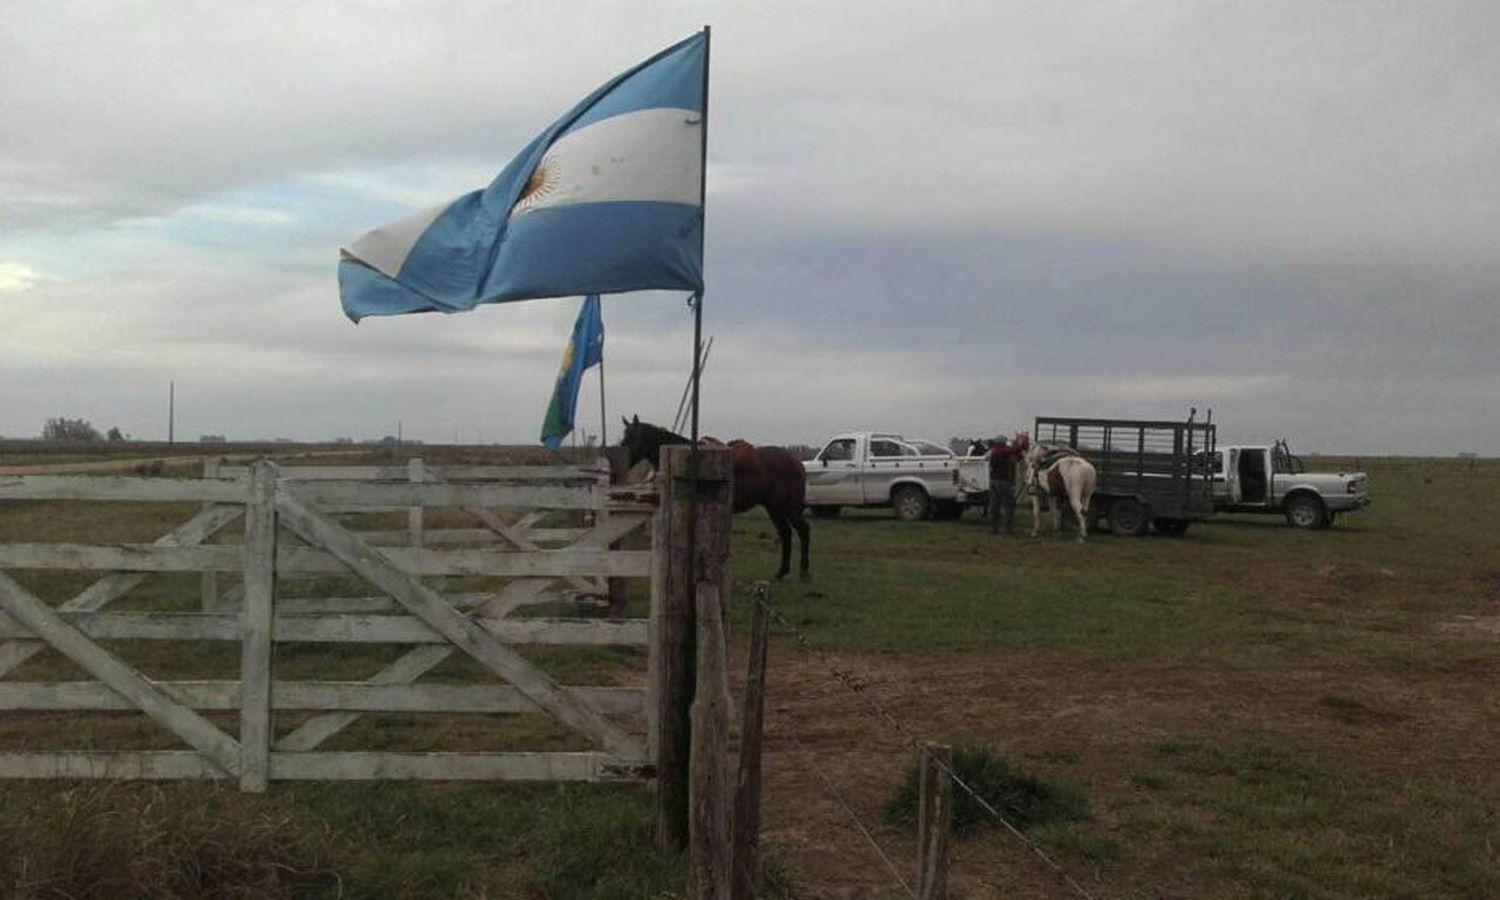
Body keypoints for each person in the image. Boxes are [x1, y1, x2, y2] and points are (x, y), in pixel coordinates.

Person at [988, 435, 1023, 534]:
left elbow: (1016, 455)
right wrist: (1020, 445)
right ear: (1003, 443)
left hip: (993, 481)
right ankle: (1008, 529)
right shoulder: (1000, 451)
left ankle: (994, 528)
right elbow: (1013, 451)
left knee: (994, 506)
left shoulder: (994, 452)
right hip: (1003, 482)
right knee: (1008, 505)